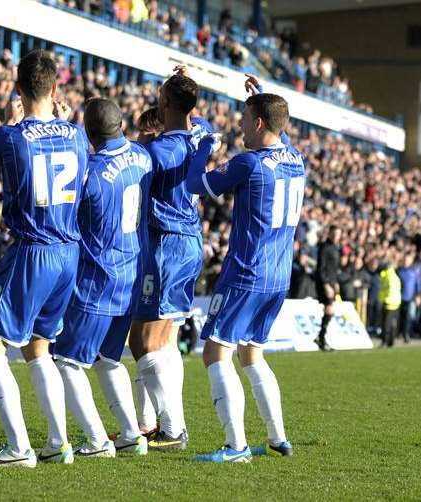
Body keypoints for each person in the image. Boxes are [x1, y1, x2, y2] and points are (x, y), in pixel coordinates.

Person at [0, 50, 88, 468]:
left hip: (31, 250)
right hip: (68, 252)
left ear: (18, 89)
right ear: (56, 88)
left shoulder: (10, 135)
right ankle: (58, 443)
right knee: (39, 346)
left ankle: (19, 449)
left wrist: (9, 121)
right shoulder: (77, 135)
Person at [186, 80, 303, 463]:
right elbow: (275, 122)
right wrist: (260, 97)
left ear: (257, 124)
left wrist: (202, 145)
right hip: (278, 275)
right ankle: (277, 437)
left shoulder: (248, 163)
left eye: (244, 119)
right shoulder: (296, 158)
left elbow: (195, 184)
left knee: (216, 353)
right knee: (253, 355)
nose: (238, 126)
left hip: (246, 272)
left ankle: (235, 446)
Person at [51, 97, 152, 458]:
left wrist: (64, 129)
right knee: (108, 359)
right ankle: (130, 434)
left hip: (98, 278)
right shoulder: (143, 156)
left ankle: (97, 440)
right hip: (132, 273)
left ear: (90, 132)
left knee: (66, 361)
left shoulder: (91, 172)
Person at [130, 66, 213, 449]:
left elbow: (136, 161)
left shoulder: (156, 151)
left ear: (164, 102)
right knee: (165, 339)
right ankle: (148, 425)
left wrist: (145, 135)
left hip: (165, 244)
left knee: (144, 343)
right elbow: (190, 116)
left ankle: (173, 427)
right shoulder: (200, 133)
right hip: (190, 242)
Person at [315, 226, 342, 351]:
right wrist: (326, 284)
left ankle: (321, 338)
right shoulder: (325, 247)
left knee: (329, 310)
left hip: (331, 282)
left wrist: (335, 282)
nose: (337, 236)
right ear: (330, 234)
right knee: (329, 309)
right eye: (336, 234)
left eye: (339, 234)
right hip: (325, 283)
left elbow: (333, 268)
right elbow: (321, 268)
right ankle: (321, 338)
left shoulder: (335, 248)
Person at [379, 253, 402, 348]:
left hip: (389, 302)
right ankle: (390, 341)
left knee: (386, 323)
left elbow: (389, 289)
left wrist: (384, 298)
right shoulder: (393, 275)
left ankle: (385, 341)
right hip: (395, 302)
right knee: (390, 323)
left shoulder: (389, 276)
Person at [396, 253, 419, 344]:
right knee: (399, 317)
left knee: (408, 317)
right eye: (404, 260)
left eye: (407, 260)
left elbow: (418, 284)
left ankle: (406, 335)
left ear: (411, 261)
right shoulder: (399, 271)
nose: (406, 262)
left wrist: (418, 296)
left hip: (410, 298)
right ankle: (399, 333)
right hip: (399, 297)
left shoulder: (414, 272)